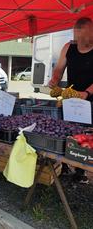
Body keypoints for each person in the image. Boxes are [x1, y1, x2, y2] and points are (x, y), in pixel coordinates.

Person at [49, 17, 93, 184]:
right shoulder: (69, 47)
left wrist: (87, 93)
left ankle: (81, 170)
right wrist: (55, 79)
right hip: (71, 98)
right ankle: (66, 165)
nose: (81, 43)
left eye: (85, 40)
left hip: (90, 100)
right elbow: (59, 69)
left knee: (85, 135)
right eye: (78, 39)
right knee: (68, 131)